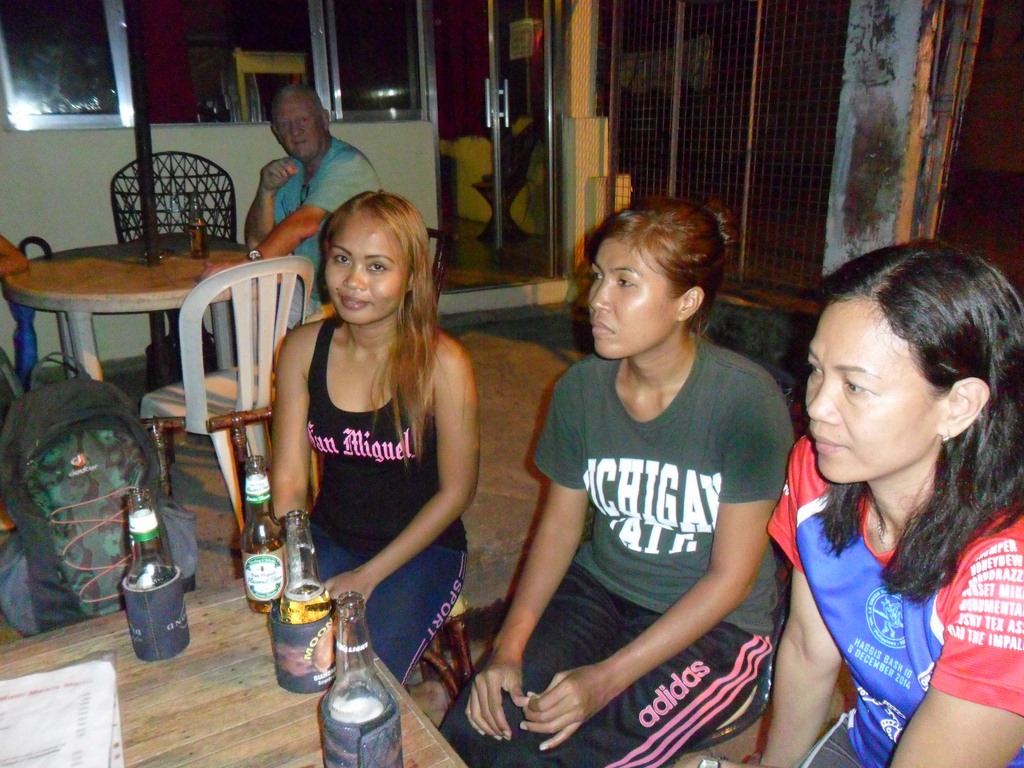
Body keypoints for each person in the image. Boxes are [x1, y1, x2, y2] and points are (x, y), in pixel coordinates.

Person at [441, 197, 794, 767]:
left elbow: (730, 578)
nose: (597, 299)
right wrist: (508, 646)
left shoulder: (743, 402)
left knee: (562, 757)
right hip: (601, 591)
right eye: (599, 276)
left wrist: (606, 679)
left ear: (687, 302)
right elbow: (559, 528)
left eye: (626, 282)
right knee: (472, 731)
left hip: (716, 628)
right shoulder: (581, 389)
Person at [681, 241, 1024, 768]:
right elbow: (807, 646)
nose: (817, 405)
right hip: (869, 745)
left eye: (856, 387)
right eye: (816, 369)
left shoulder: (1007, 574)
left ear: (958, 406)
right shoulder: (818, 472)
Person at [270, 191, 479, 685]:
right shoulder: (302, 348)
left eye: (377, 266)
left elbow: (457, 492)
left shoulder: (444, 364)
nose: (353, 281)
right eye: (342, 259)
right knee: (292, 665)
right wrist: (294, 558)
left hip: (422, 551)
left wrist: (368, 577)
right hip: (329, 537)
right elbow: (291, 479)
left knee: (355, 679)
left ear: (411, 277)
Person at [243, 84, 380, 320]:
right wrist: (266, 191)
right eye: (285, 124)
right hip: (311, 291)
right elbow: (257, 242)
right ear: (276, 133)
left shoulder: (348, 164)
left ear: (324, 120)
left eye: (303, 120)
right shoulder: (291, 170)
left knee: (248, 289)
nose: (295, 131)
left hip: (355, 293)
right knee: (247, 301)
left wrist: (245, 265)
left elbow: (305, 224)